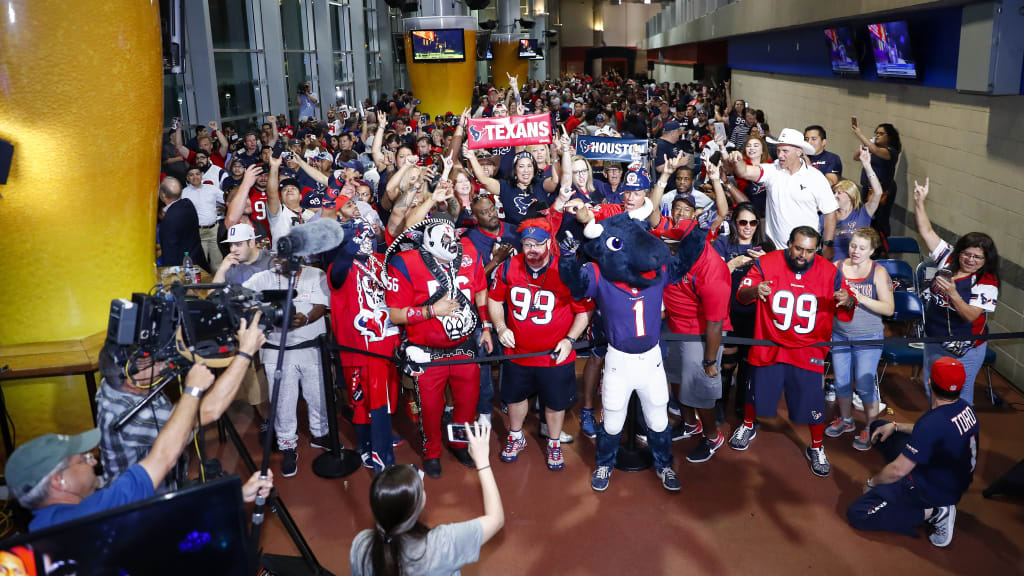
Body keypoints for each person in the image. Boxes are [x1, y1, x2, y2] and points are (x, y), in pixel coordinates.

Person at [6, 348, 272, 532]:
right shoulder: (111, 506)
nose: (92, 460)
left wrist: (237, 495)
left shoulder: (112, 387)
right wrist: (244, 354)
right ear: (59, 481)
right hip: (152, 505)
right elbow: (198, 420)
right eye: (83, 459)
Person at [728, 226, 858, 478]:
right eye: (798, 248)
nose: (803, 255)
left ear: (816, 250)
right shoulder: (766, 263)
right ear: (789, 244)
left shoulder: (830, 272)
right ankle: (747, 425)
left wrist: (848, 300)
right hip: (770, 342)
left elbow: (847, 303)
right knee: (755, 393)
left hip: (807, 348)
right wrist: (755, 291)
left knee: (813, 403)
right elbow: (741, 296)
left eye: (809, 251)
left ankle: (817, 447)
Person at [94, 318, 265, 493]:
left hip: (167, 481)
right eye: (151, 362)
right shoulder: (132, 416)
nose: (160, 363)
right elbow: (208, 412)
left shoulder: (114, 383)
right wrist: (245, 353)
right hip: (146, 504)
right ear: (131, 378)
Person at [386, 219, 494, 478]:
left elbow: (480, 289)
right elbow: (395, 314)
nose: (453, 249)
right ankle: (432, 452)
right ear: (430, 245)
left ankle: (458, 444)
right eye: (446, 245)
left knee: (467, 404)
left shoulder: (468, 250)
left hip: (464, 347)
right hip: (427, 351)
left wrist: (486, 326)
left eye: (454, 242)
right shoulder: (406, 262)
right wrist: (432, 310)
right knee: (431, 410)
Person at [489, 218, 593, 471]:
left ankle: (554, 442)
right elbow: (494, 299)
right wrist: (501, 327)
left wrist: (570, 340)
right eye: (527, 244)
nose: (532, 249)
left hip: (553, 354)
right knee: (514, 398)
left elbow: (585, 311)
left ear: (549, 243)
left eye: (538, 243)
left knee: (555, 402)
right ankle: (516, 436)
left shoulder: (566, 270)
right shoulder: (508, 267)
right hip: (517, 351)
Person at [847, 357, 979, 548]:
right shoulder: (966, 408)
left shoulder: (932, 423)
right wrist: (895, 425)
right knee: (880, 427)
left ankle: (936, 512)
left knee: (858, 513)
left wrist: (872, 482)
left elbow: (898, 470)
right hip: (949, 475)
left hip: (933, 490)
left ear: (930, 382)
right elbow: (933, 433)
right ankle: (927, 502)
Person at [349, 422, 503, 575]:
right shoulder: (441, 544)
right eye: (421, 489)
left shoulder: (360, 545)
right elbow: (496, 519)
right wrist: (483, 462)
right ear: (415, 507)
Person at [913, 178, 999, 406]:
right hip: (935, 338)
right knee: (930, 387)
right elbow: (926, 231)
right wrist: (920, 202)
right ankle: (935, 433)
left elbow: (972, 315)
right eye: (966, 254)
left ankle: (960, 438)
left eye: (977, 257)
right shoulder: (947, 259)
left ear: (985, 259)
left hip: (965, 348)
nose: (970, 260)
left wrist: (952, 292)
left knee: (960, 396)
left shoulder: (987, 281)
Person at [243, 255, 331, 477]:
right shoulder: (262, 278)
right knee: (282, 400)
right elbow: (242, 299)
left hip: (311, 347)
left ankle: (320, 434)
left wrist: (307, 318)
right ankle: (287, 445)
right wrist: (262, 313)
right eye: (278, 255)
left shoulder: (315, 274)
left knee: (317, 394)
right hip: (276, 350)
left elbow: (321, 305)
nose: (281, 260)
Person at [329, 218, 401, 474]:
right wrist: (353, 243)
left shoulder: (380, 262)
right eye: (361, 238)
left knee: (387, 399)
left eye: (369, 237)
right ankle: (365, 444)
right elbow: (337, 271)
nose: (367, 242)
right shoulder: (339, 268)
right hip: (359, 349)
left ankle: (381, 436)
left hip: (386, 345)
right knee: (362, 401)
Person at [826, 227, 894, 450]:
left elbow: (888, 309)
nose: (855, 251)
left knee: (864, 384)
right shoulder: (837, 267)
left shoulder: (878, 272)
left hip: (868, 336)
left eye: (862, 248)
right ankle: (846, 420)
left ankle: (871, 426)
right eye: (853, 245)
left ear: (872, 250)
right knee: (841, 381)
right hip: (840, 334)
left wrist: (860, 298)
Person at [726, 128, 838, 260]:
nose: (780, 155)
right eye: (778, 150)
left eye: (785, 151)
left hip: (805, 252)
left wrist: (828, 244)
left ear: (799, 152)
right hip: (774, 250)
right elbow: (744, 172)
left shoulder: (816, 177)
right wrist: (738, 161)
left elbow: (830, 212)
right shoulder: (772, 170)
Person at [712, 203, 775, 422]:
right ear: (735, 223)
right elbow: (712, 278)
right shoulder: (722, 244)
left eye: (752, 222)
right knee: (726, 363)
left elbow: (778, 281)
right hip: (728, 310)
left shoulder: (766, 245)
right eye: (742, 222)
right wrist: (734, 263)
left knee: (750, 363)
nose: (747, 227)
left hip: (756, 313)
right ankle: (719, 406)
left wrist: (766, 262)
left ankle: (742, 408)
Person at [828, 148, 884, 262]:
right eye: (834, 192)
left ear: (850, 196)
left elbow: (878, 192)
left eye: (839, 193)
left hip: (857, 266)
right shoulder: (827, 215)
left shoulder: (862, 214)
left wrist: (867, 165)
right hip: (833, 267)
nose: (834, 196)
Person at [852, 121, 901, 238]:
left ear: (889, 137)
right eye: (876, 133)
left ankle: (882, 248)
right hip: (866, 189)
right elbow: (855, 157)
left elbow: (876, 151)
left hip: (881, 192)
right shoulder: (873, 147)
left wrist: (860, 134)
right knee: (866, 218)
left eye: (881, 133)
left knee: (879, 221)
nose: (877, 135)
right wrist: (869, 142)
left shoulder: (890, 152)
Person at [158, 176, 210, 272]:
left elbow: (170, 253)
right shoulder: (188, 204)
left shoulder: (168, 220)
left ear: (163, 195)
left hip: (184, 270)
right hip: (199, 263)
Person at [181, 166, 226, 271]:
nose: (195, 177)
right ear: (187, 178)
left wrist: (224, 208)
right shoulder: (184, 193)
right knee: (200, 264)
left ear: (201, 176)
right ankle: (202, 287)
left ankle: (218, 286)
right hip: (197, 233)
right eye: (191, 175)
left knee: (218, 264)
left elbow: (227, 199)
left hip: (214, 230)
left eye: (197, 174)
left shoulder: (212, 189)